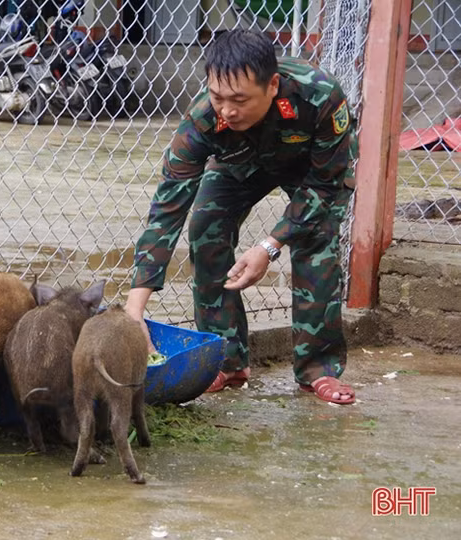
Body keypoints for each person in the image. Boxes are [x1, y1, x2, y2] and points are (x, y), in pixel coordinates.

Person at [124, 29, 357, 405]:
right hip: (240, 163)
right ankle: (227, 361)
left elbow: (325, 187)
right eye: (218, 97)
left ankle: (319, 369)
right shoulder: (203, 120)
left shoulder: (320, 95)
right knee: (205, 226)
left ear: (272, 85)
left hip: (310, 172)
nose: (227, 110)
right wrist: (135, 310)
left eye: (239, 100)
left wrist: (269, 246)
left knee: (316, 236)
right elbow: (167, 209)